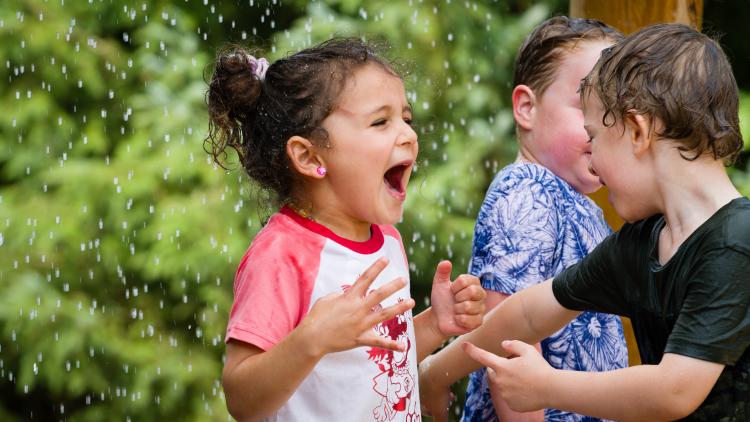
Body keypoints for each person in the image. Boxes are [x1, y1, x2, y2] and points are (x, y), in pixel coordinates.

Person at [419, 23, 749, 421]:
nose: (592, 160)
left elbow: (674, 390)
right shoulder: (643, 242)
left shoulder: (736, 242)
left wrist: (545, 386)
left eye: (595, 137)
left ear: (638, 131)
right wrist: (434, 374)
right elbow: (525, 314)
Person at [205, 38, 487, 421]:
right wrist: (311, 340)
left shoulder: (387, 240)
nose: (408, 134)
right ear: (309, 157)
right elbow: (241, 400)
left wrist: (436, 324)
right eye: (380, 122)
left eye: (406, 118)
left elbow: (379, 366)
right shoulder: (281, 254)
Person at [462, 16, 627, 422]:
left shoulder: (577, 203)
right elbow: (508, 343)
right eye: (589, 106)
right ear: (526, 107)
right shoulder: (527, 191)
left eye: (618, 112)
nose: (604, 125)